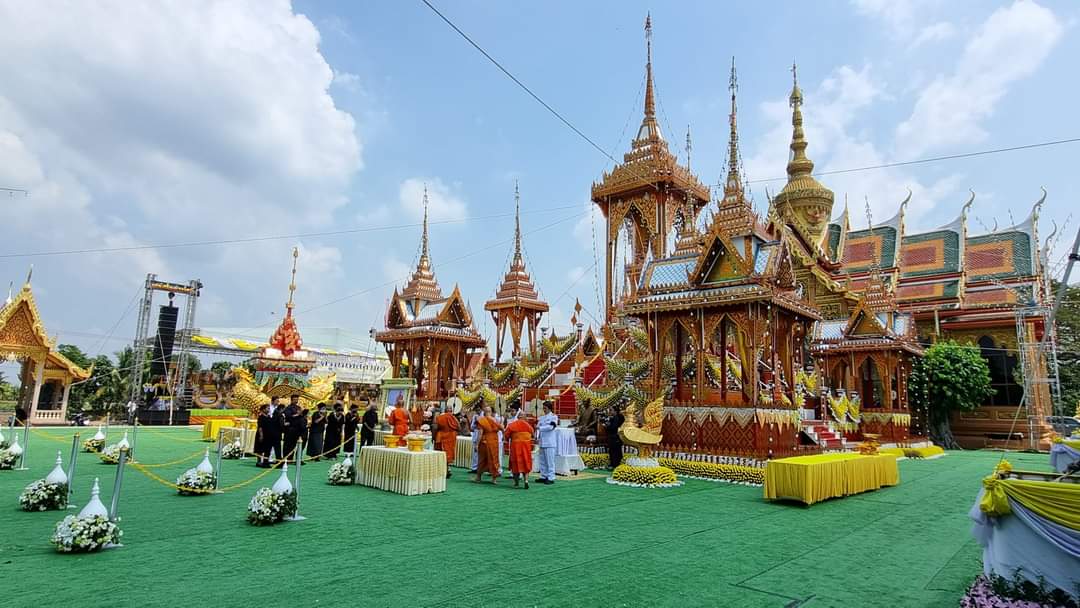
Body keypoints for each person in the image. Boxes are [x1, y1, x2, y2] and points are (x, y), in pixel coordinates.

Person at [505, 407, 534, 489]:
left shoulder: (512, 425)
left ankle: (517, 483)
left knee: (515, 464)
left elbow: (506, 435)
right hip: (526, 447)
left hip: (516, 446)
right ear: (525, 417)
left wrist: (508, 439)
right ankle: (526, 480)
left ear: (518, 417)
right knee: (526, 463)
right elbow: (533, 434)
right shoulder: (528, 426)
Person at [474, 406, 504, 484]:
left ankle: (478, 477)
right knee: (494, 459)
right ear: (491, 412)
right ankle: (494, 479)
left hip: (485, 441)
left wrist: (476, 444)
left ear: (483, 412)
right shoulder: (496, 420)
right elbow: (502, 429)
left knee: (482, 459)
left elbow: (480, 433)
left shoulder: (482, 420)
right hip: (494, 441)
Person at [536, 401, 559, 484]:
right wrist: (536, 436)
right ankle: (543, 475)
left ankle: (551, 477)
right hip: (542, 441)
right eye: (543, 408)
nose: (544, 410)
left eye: (545, 408)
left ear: (549, 408)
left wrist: (540, 428)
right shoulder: (542, 418)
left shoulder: (554, 417)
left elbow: (551, 427)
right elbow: (537, 428)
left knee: (550, 461)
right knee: (542, 460)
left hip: (549, 442)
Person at [435, 404, 460, 478]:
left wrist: (434, 436)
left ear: (445, 410)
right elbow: (459, 427)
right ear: (451, 410)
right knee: (449, 452)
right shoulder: (454, 418)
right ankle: (448, 468)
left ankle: (444, 470)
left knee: (442, 452)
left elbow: (435, 427)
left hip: (442, 436)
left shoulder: (439, 417)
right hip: (451, 437)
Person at [281, 395, 303, 460]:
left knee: (293, 444)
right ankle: (285, 457)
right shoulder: (288, 408)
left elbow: (300, 416)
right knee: (287, 444)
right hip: (290, 428)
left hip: (297, 429)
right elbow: (288, 416)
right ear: (291, 400)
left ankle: (291, 458)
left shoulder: (298, 407)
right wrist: (297, 415)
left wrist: (301, 414)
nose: (296, 400)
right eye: (295, 399)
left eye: (297, 399)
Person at [469, 405, 482, 473]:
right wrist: (476, 424)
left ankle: (481, 468)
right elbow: (472, 427)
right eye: (476, 410)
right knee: (475, 453)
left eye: (479, 410)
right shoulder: (474, 416)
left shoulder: (483, 415)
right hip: (475, 434)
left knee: (481, 453)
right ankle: (474, 468)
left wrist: (478, 422)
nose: (477, 411)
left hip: (482, 435)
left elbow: (483, 426)